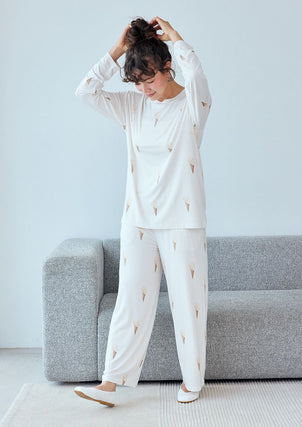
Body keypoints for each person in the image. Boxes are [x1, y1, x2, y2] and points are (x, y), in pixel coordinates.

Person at [73, 16, 212, 407]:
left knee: (187, 300)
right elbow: (85, 91)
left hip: (182, 221)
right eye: (136, 82)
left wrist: (179, 39)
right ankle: (111, 381)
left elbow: (198, 76)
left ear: (168, 69)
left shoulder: (192, 107)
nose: (144, 89)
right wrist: (117, 50)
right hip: (137, 219)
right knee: (130, 299)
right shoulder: (132, 107)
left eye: (149, 80)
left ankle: (193, 381)